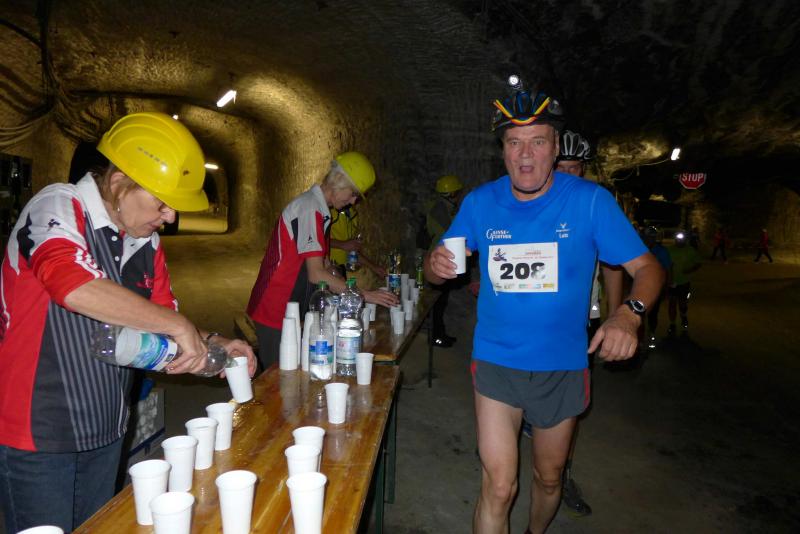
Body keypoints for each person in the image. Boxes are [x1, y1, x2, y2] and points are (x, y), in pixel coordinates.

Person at [425, 76, 664, 534]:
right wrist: (434, 265)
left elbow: (648, 268)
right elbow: (437, 272)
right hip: (496, 361)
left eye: (538, 141)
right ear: (502, 150)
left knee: (548, 477)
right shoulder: (479, 203)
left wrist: (627, 315)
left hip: (562, 365)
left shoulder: (590, 202)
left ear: (555, 148)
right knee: (499, 486)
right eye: (514, 142)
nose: (526, 154)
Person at [0, 112, 257, 533]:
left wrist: (215, 342)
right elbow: (74, 286)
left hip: (106, 426)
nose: (170, 217)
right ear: (119, 182)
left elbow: (163, 317)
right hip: (38, 431)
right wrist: (178, 327)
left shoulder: (146, 242)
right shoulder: (59, 206)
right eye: (162, 203)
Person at [247, 151, 397, 372]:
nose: (353, 201)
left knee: (293, 371)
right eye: (353, 194)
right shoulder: (310, 208)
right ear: (339, 182)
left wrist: (338, 278)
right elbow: (316, 273)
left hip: (291, 306)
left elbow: (322, 263)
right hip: (275, 306)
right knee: (278, 376)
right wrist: (363, 295)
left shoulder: (320, 210)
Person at [425, 174, 466, 347]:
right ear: (451, 194)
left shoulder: (443, 207)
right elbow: (451, 231)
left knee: (441, 300)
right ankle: (436, 336)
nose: (458, 196)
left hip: (441, 257)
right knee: (437, 302)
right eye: (457, 193)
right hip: (437, 260)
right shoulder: (440, 210)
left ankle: (439, 334)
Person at [329, 204, 387, 282]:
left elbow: (351, 248)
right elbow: (316, 240)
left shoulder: (352, 213)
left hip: (342, 270)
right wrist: (342, 244)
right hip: (328, 267)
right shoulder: (328, 210)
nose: (354, 200)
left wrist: (374, 267)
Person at [666, 230, 702, 334]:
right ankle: (672, 324)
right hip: (672, 282)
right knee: (672, 303)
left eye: (682, 238)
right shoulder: (669, 250)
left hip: (684, 282)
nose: (679, 240)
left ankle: (683, 315)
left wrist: (690, 270)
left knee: (682, 303)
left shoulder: (690, 250)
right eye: (678, 238)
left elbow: (698, 263)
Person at [642, 226, 672, 348]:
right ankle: (640, 338)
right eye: (647, 237)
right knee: (638, 311)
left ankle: (652, 333)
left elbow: (668, 269)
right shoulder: (639, 249)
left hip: (656, 287)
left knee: (653, 312)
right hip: (640, 285)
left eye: (652, 237)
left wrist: (667, 286)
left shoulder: (661, 251)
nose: (650, 239)